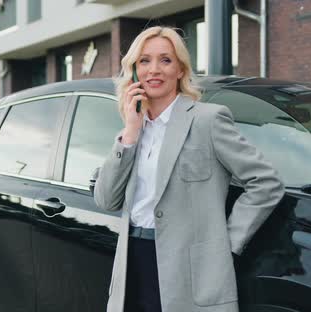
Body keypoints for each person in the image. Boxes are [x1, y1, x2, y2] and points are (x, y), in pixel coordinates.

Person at [94, 26, 285, 312]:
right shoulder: (132, 129)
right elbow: (106, 199)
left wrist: (226, 244)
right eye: (144, 61)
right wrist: (130, 133)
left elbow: (266, 183)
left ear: (181, 70)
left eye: (165, 60)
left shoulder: (208, 120)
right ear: (133, 71)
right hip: (132, 262)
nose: (154, 70)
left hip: (190, 272)